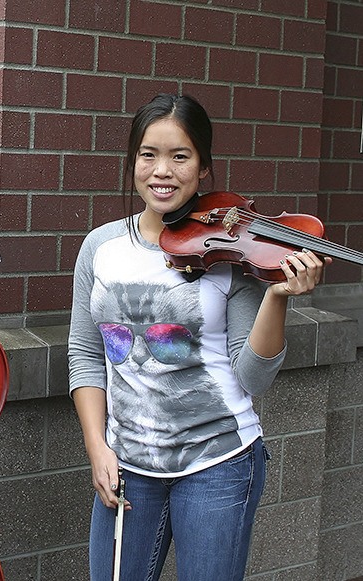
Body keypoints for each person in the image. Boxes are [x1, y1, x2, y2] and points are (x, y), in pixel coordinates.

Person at [67, 93, 329, 581]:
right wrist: (97, 447)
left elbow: (253, 378)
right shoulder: (99, 247)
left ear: (204, 167)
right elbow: (85, 352)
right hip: (128, 461)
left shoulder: (231, 254)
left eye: (180, 156)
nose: (162, 171)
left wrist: (277, 296)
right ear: (132, 162)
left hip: (219, 460)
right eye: (149, 154)